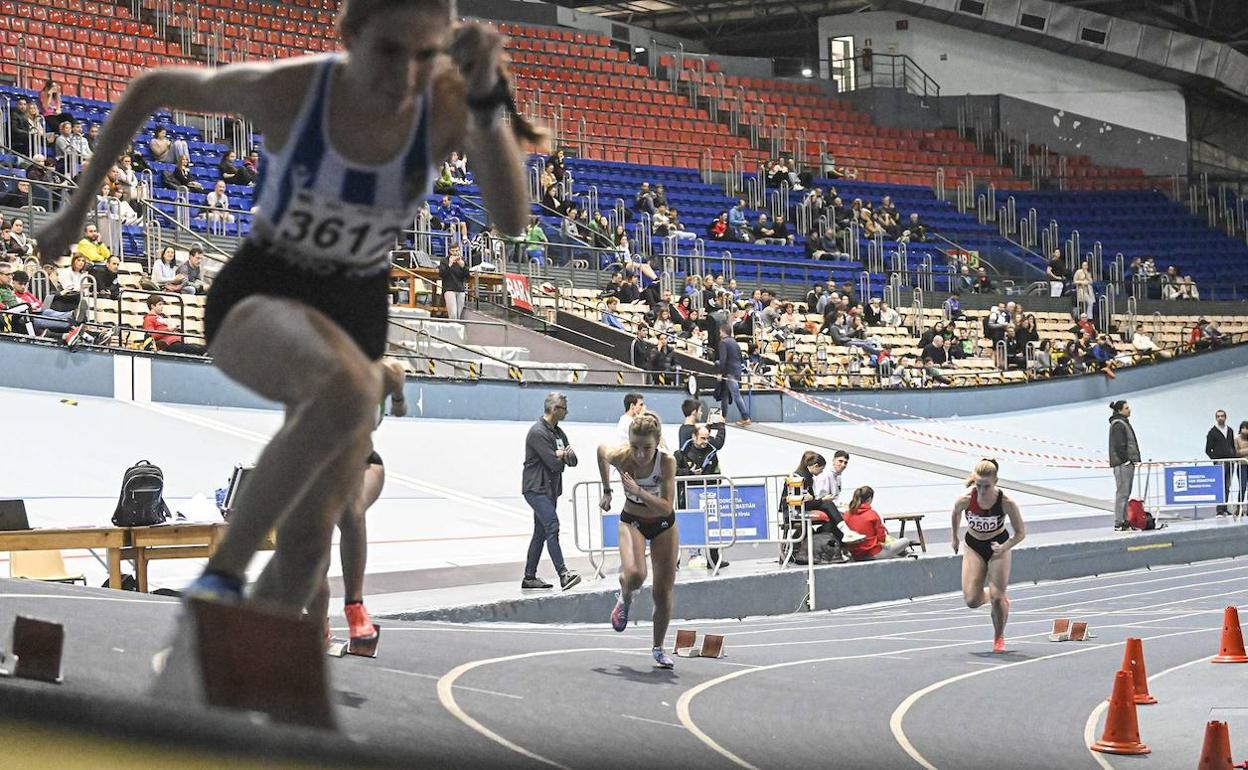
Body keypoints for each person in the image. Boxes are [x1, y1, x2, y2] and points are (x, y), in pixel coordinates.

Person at [36, 0, 537, 684]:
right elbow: (151, 87)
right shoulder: (292, 88)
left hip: (355, 314)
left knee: (307, 545)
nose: (406, 75)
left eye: (426, 57)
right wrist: (77, 206)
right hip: (262, 293)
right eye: (391, 53)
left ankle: (215, 667)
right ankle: (220, 578)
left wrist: (485, 103)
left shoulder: (445, 105)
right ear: (348, 36)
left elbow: (511, 220)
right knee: (354, 385)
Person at [307, 359, 408, 648]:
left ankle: (354, 604)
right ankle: (318, 625)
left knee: (352, 512)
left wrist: (397, 400)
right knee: (316, 559)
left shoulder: (388, 372)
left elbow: (400, 401)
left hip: (364, 465)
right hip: (319, 471)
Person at [597, 412, 679, 668]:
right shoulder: (621, 455)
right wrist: (607, 490)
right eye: (635, 447)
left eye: (647, 448)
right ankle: (625, 595)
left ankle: (658, 647)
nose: (640, 454)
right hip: (632, 521)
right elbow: (600, 451)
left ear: (657, 444)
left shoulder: (667, 462)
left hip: (663, 524)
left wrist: (638, 491)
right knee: (635, 575)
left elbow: (666, 508)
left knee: (662, 592)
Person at [950, 459, 1025, 652]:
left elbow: (1020, 533)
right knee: (972, 601)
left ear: (996, 482)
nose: (982, 491)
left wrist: (1004, 546)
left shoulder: (1006, 503)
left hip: (998, 545)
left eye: (986, 486)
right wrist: (955, 537)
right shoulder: (966, 499)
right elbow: (956, 513)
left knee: (998, 598)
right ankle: (992, 596)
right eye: (978, 485)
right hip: (974, 545)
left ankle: (998, 637)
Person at [521, 392, 582, 591]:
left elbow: (573, 460)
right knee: (552, 526)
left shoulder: (558, 432)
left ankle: (529, 577)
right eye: (564, 408)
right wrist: (562, 456)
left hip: (550, 490)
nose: (567, 411)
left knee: (540, 532)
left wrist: (562, 454)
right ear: (555, 409)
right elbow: (554, 464)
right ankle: (563, 574)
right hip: (536, 489)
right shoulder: (538, 432)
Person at [842, 486, 913, 560]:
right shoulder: (872, 514)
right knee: (905, 541)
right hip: (873, 552)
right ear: (869, 499)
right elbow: (882, 538)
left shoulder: (847, 515)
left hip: (855, 554)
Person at [1108, 400, 1140, 531]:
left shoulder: (1122, 423)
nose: (1129, 410)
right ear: (1120, 410)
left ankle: (1125, 521)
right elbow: (1119, 445)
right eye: (1126, 408)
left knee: (1125, 493)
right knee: (1122, 493)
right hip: (1122, 465)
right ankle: (1119, 522)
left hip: (1125, 463)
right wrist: (1126, 460)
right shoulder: (1118, 425)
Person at [716, 324, 751, 426]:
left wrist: (720, 372)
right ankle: (723, 417)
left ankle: (745, 417)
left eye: (720, 332)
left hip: (729, 372)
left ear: (722, 331)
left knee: (736, 395)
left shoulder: (723, 342)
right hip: (737, 370)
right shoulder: (735, 342)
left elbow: (723, 359)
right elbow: (740, 357)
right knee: (725, 394)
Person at [1206, 410, 1237, 516]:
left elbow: (1232, 445)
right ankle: (1219, 509)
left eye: (1222, 416)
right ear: (1216, 418)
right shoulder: (1212, 432)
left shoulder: (1230, 430)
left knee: (1227, 485)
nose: (1220, 418)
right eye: (1218, 416)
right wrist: (1216, 459)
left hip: (1230, 462)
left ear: (1225, 417)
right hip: (1220, 463)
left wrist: (1234, 457)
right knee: (1220, 486)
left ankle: (1225, 507)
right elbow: (1208, 449)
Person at [438, 245, 469, 319]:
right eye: (453, 251)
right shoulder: (444, 260)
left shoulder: (462, 260)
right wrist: (449, 264)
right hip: (449, 289)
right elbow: (442, 274)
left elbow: (467, 276)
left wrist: (463, 267)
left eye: (457, 250)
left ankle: (456, 328)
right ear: (449, 251)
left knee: (459, 315)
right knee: (453, 314)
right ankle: (453, 328)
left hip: (460, 289)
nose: (455, 253)